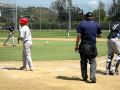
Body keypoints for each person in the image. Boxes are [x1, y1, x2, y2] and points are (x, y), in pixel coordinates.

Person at [75, 12, 102, 83]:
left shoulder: (81, 24)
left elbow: (79, 36)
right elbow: (99, 36)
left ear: (85, 17)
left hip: (83, 45)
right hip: (92, 45)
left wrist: (76, 45)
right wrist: (93, 34)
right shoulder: (97, 25)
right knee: (93, 61)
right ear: (92, 17)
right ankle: (92, 76)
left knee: (83, 61)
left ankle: (84, 77)